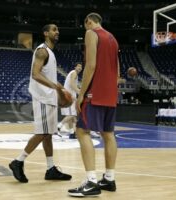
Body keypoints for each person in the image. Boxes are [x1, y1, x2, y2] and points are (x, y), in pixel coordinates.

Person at [9, 24, 72, 183]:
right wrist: (55, 86)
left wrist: (57, 89)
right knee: (42, 133)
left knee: (48, 134)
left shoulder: (50, 52)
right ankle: (18, 161)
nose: (57, 32)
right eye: (53, 30)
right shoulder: (42, 51)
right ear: (45, 33)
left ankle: (50, 169)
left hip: (49, 98)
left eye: (58, 29)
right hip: (43, 97)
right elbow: (35, 74)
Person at [68, 13, 119, 197]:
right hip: (111, 93)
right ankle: (109, 178)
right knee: (108, 134)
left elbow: (90, 65)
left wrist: (81, 95)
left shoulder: (91, 33)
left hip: (94, 92)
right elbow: (118, 70)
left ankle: (90, 182)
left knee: (82, 131)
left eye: (85, 24)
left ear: (89, 21)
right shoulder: (113, 38)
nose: (85, 28)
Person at [57, 63, 82, 138]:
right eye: (78, 66)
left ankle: (72, 133)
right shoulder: (74, 73)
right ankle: (59, 126)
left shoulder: (72, 73)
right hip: (69, 96)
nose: (80, 68)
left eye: (81, 67)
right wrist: (79, 92)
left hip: (67, 95)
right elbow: (72, 84)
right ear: (75, 67)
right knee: (72, 115)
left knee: (73, 117)